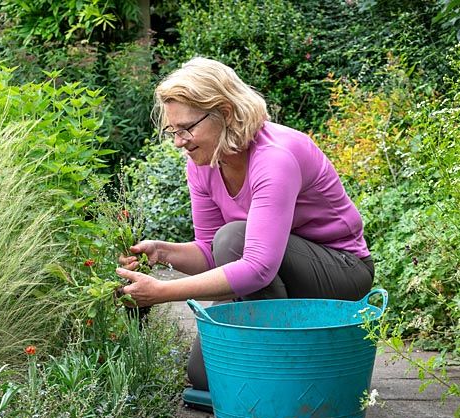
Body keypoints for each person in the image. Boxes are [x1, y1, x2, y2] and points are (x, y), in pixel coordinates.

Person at [117, 57, 374, 392]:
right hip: (272, 269)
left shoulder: (275, 157)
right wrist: (160, 252)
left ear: (224, 111)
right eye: (172, 131)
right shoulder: (203, 161)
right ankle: (278, 357)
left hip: (339, 271)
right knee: (204, 376)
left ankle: (284, 367)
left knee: (234, 236)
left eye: (186, 128)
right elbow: (211, 253)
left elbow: (257, 267)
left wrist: (162, 292)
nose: (179, 141)